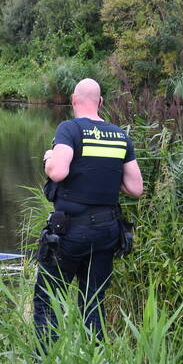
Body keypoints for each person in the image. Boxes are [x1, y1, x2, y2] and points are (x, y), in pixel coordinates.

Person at [33, 78, 143, 343]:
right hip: (107, 230)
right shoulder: (119, 135)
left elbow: (59, 172)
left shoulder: (69, 129)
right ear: (101, 102)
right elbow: (135, 187)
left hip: (71, 231)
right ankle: (95, 360)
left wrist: (48, 159)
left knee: (48, 297)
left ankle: (44, 363)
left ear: (73, 100)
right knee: (94, 299)